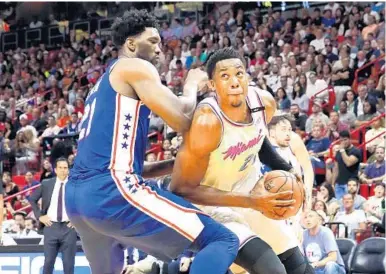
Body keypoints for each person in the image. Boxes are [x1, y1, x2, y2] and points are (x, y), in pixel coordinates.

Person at [65, 10, 239, 274]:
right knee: (221, 240)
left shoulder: (102, 84)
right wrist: (191, 85)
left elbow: (120, 165)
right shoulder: (133, 66)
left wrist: (175, 163)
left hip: (77, 199)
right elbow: (181, 120)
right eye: (154, 41)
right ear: (131, 44)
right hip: (111, 193)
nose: (160, 48)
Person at [170, 48, 314, 274]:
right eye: (224, 76)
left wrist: (287, 169)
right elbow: (182, 189)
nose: (235, 82)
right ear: (212, 85)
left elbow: (258, 141)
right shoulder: (207, 122)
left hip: (250, 195)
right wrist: (250, 201)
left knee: (299, 267)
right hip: (213, 206)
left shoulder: (264, 103)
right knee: (272, 269)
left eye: (239, 73)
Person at [29, 158, 77, 274]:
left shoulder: (75, 185)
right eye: (60, 167)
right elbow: (32, 199)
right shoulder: (46, 184)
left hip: (69, 228)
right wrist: (40, 216)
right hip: (51, 227)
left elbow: (85, 203)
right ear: (55, 170)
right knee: (48, 262)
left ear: (68, 170)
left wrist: (77, 219)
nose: (63, 170)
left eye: (65, 168)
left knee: (68, 264)